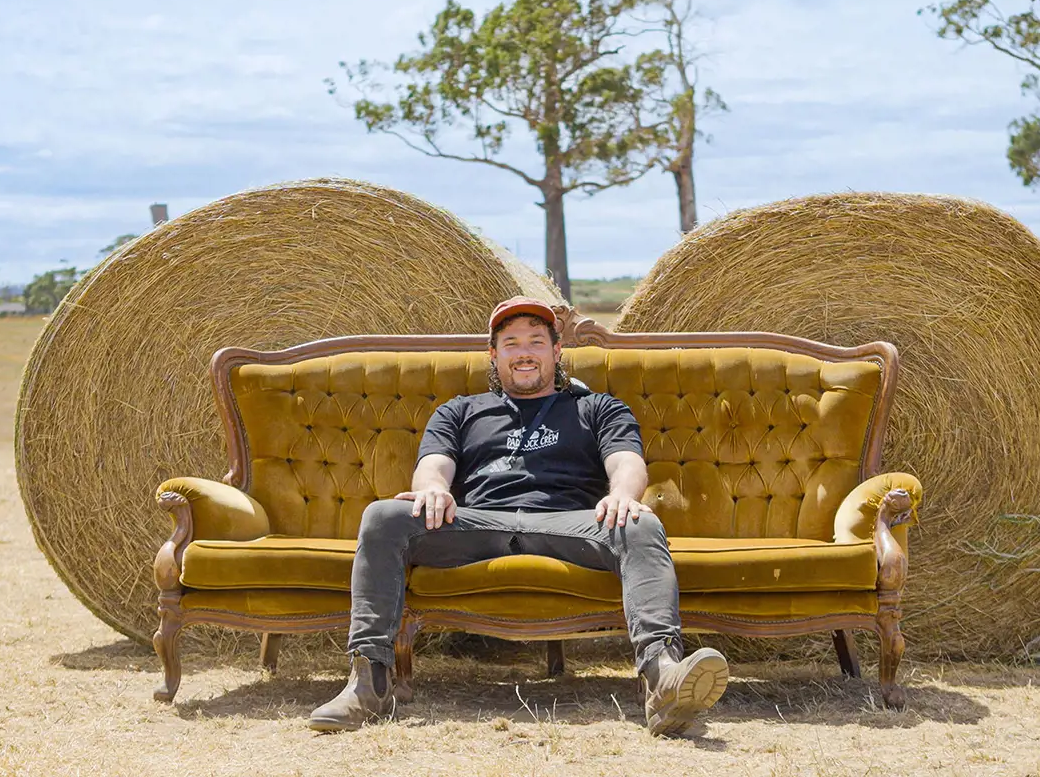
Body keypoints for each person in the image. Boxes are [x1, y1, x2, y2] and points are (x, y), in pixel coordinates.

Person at [308, 296, 728, 737]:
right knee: (383, 516)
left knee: (640, 521)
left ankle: (663, 678)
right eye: (510, 343)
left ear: (556, 351)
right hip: (479, 522)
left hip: (567, 522)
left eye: (535, 341)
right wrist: (433, 489)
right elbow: (434, 464)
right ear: (494, 354)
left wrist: (623, 495)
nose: (524, 351)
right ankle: (368, 683)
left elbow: (626, 460)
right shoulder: (460, 411)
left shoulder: (596, 408)